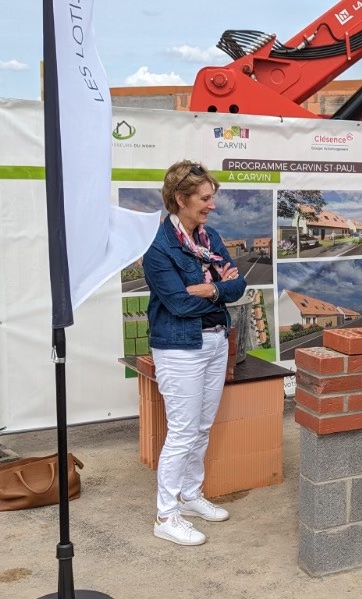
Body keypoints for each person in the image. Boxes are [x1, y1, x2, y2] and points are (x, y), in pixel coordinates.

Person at [143, 160, 247, 545]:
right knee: (183, 432)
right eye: (204, 199)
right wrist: (219, 288)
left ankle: (189, 496)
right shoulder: (158, 247)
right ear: (180, 199)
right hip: (180, 347)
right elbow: (177, 304)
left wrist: (212, 289)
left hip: (216, 340)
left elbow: (239, 287)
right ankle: (166, 515)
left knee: (201, 427)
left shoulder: (210, 238)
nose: (211, 206)